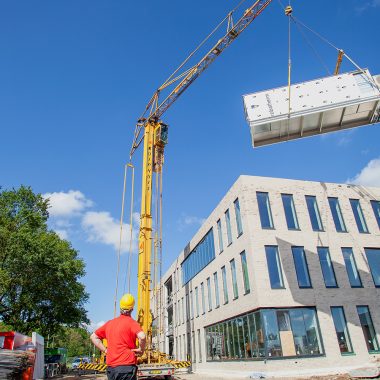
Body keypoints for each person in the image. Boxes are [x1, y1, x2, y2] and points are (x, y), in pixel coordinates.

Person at [90, 294, 146, 380]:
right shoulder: (132, 323)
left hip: (111, 369)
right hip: (126, 368)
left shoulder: (110, 323)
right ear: (132, 309)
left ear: (120, 307)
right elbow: (142, 336)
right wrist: (141, 350)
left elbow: (93, 337)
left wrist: (105, 350)